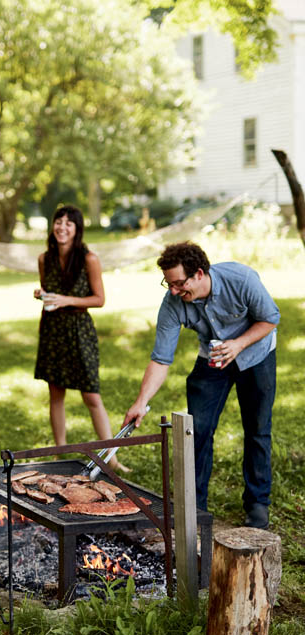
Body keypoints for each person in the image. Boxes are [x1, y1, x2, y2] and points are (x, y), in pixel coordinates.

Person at [124, 241, 279, 529]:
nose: (173, 291)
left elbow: (270, 318)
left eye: (179, 283)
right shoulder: (173, 303)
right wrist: (140, 402)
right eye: (168, 284)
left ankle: (258, 503)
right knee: (196, 432)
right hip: (213, 359)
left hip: (257, 354)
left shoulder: (241, 280)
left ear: (198, 273)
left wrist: (238, 344)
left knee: (258, 429)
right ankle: (194, 508)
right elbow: (161, 359)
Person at [33, 205, 129, 472]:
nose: (62, 227)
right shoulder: (44, 259)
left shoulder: (89, 259)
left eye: (68, 223)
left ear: (77, 229)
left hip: (79, 330)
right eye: (58, 222)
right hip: (52, 331)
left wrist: (66, 300)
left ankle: (112, 457)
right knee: (56, 394)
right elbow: (49, 291)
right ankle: (59, 452)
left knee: (91, 396)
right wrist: (42, 294)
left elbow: (99, 299)